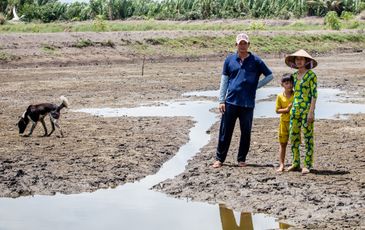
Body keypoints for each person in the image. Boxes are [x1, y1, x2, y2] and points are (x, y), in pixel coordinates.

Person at [212, 33, 273, 168]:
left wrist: (255, 86)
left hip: (247, 103)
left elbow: (269, 76)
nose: (242, 45)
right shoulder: (229, 60)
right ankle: (219, 159)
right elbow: (224, 81)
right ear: (236, 45)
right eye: (240, 43)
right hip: (230, 102)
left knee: (246, 132)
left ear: (248, 45)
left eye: (245, 43)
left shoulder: (256, 61)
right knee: (225, 132)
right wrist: (221, 100)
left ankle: (241, 159)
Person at [285, 49, 318, 174]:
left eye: (301, 59)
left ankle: (307, 165)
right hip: (295, 110)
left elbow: (314, 95)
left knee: (308, 137)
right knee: (293, 136)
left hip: (306, 110)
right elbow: (293, 93)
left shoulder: (311, 76)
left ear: (306, 61)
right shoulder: (293, 76)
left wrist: (311, 112)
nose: (299, 61)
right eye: (297, 59)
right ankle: (295, 163)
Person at [275, 73, 294, 172]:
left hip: (294, 122)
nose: (289, 85)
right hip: (283, 123)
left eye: (291, 83)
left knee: (295, 143)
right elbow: (277, 110)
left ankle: (295, 163)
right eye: (286, 83)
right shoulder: (279, 96)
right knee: (283, 144)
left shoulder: (296, 95)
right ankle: (281, 165)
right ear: (282, 84)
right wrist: (287, 109)